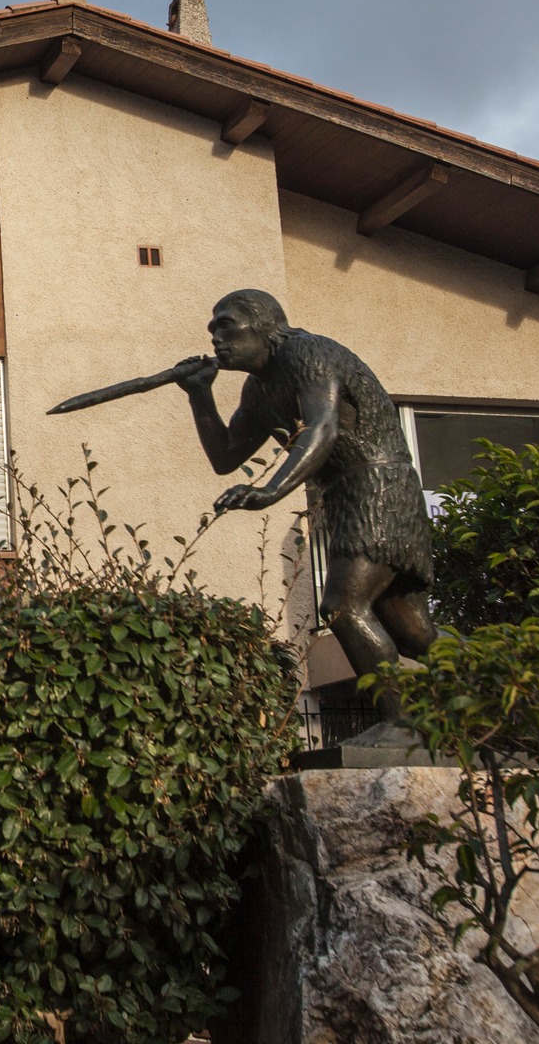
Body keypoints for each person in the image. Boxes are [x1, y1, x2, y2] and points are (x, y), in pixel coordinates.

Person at [175, 289, 435, 724]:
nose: (216, 338)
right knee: (415, 634)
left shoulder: (306, 352)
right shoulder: (258, 389)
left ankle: (401, 727)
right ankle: (517, 690)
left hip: (379, 486)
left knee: (343, 608)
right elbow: (225, 457)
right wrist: (199, 394)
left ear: (263, 327)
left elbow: (323, 428)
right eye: (212, 330)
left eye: (227, 326)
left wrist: (271, 491)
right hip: (345, 495)